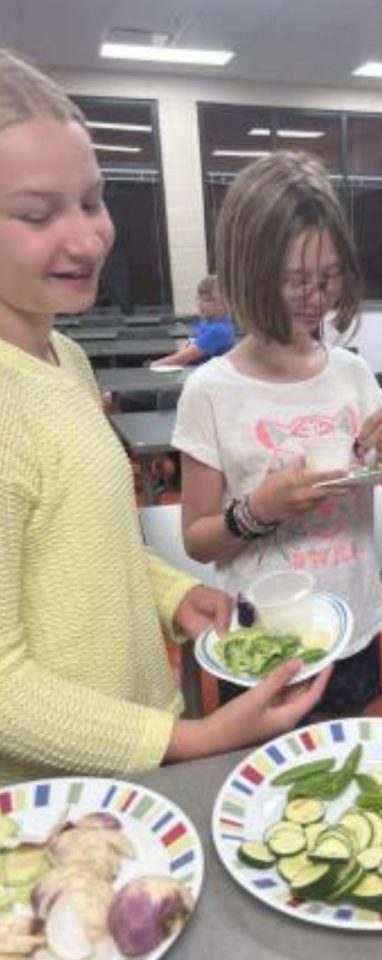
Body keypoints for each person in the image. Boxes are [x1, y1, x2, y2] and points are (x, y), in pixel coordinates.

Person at [0, 49, 328, 786]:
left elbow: (89, 550)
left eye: (93, 200)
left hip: (125, 747)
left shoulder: (63, 358)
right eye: (37, 214)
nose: (88, 239)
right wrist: (190, 737)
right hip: (52, 793)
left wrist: (173, 594)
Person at [173, 151, 382, 715]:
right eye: (294, 280)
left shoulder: (353, 375)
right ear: (245, 272)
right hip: (260, 639)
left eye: (328, 277)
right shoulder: (210, 391)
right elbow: (196, 537)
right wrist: (260, 510)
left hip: (351, 631)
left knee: (343, 759)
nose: (316, 297)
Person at [151, 274, 236, 368]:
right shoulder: (207, 322)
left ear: (224, 304)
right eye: (198, 299)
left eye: (206, 300)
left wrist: (154, 365)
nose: (200, 304)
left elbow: (181, 359)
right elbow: (189, 345)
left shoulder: (218, 331)